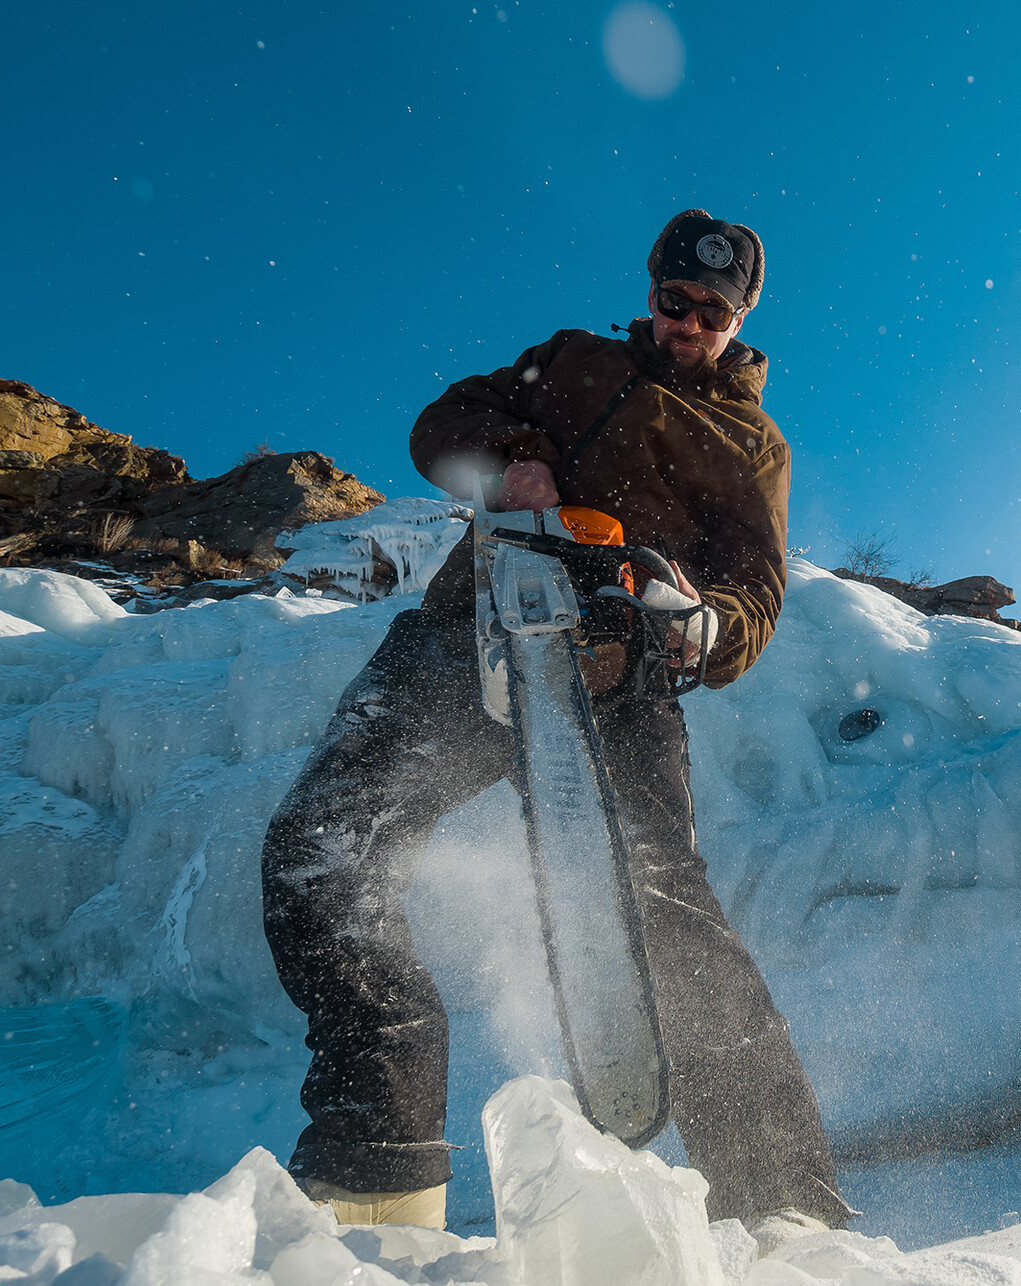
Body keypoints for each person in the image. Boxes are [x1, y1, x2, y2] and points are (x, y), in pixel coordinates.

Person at [260, 209, 852, 1241]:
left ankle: (785, 1214)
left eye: (713, 314)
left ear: (740, 317)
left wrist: (700, 623)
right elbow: (441, 423)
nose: (688, 325)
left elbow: (755, 593)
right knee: (323, 849)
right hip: (474, 627)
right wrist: (516, 460)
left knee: (664, 910)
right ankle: (377, 1169)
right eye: (676, 302)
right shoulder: (572, 360)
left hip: (619, 672)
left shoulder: (752, 443)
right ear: (653, 290)